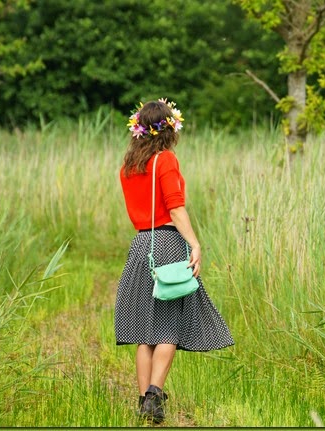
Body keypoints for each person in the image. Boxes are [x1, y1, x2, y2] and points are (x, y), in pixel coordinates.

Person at [114, 99, 234, 424]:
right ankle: (155, 393)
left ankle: (144, 402)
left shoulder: (128, 166)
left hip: (141, 245)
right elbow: (176, 208)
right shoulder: (165, 160)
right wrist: (194, 243)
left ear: (138, 130)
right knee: (167, 328)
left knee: (144, 332)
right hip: (166, 242)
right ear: (169, 128)